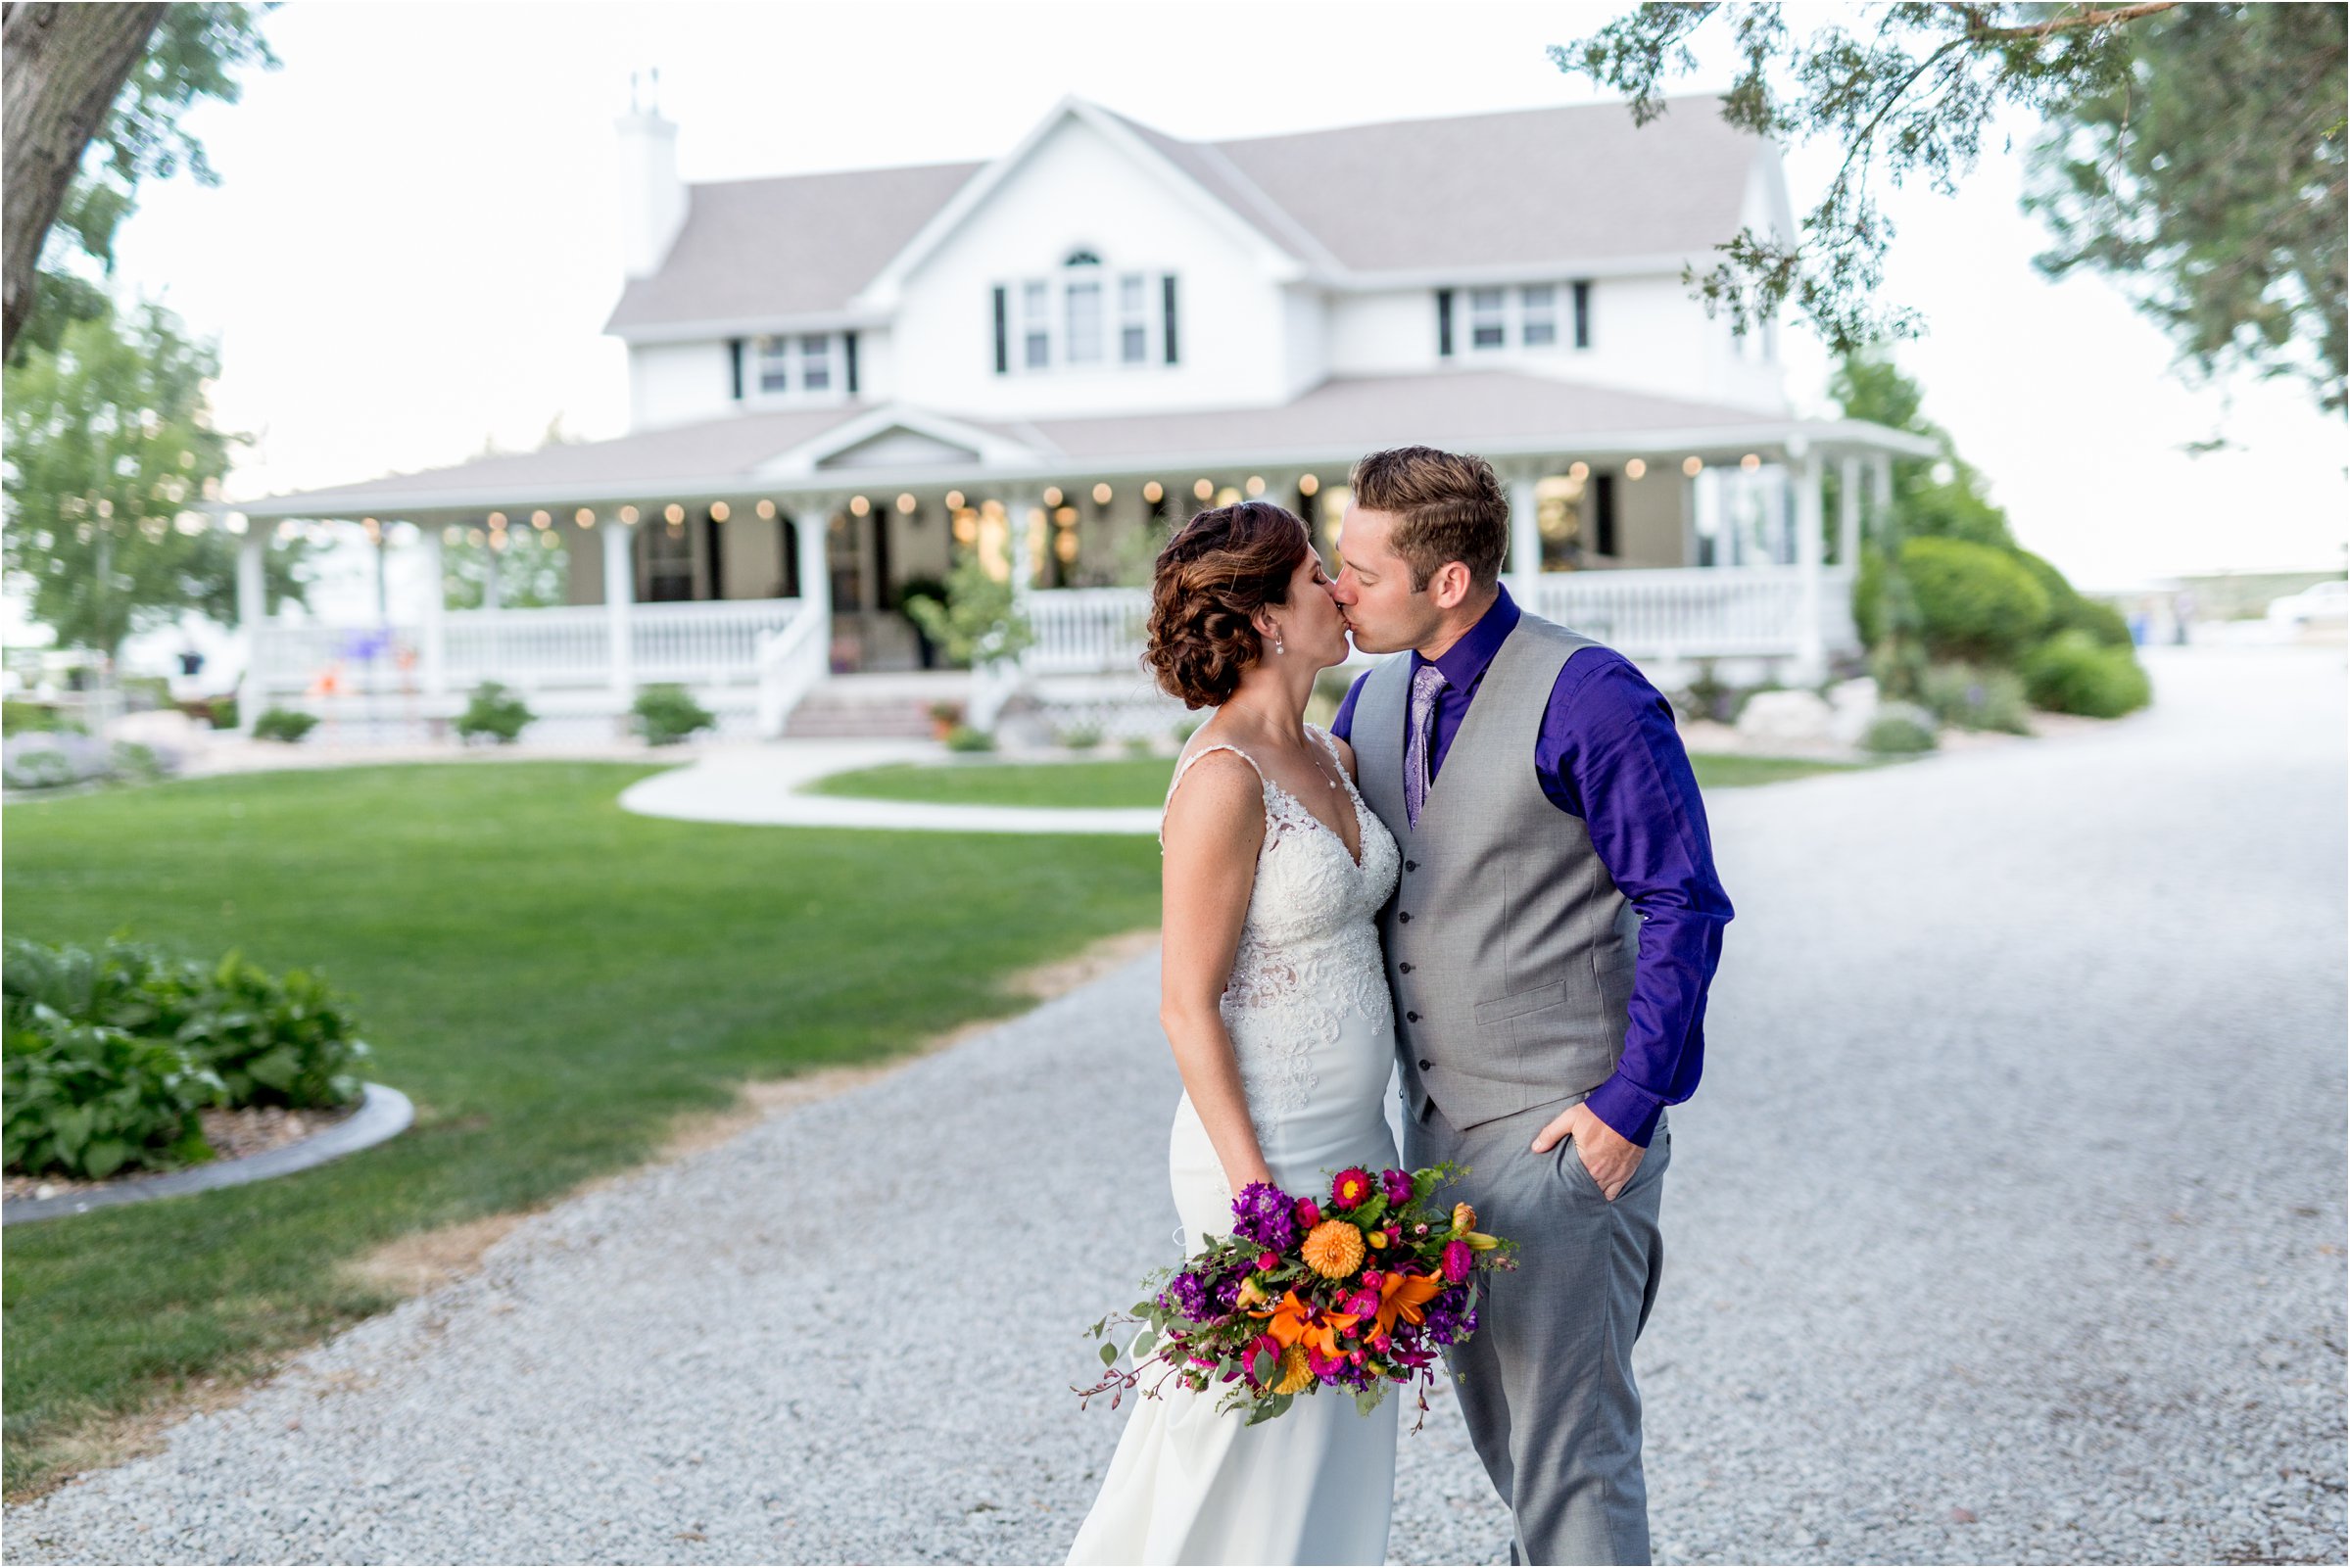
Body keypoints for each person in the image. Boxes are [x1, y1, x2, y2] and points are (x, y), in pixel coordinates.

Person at [1325, 446, 1735, 1566]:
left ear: (1445, 579)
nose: (1334, 586)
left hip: (1564, 1125)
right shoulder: (1367, 698)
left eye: (1357, 569)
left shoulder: (1591, 694)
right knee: (1511, 1444)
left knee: (1573, 1458)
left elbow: (1683, 902)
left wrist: (1625, 1109)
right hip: (1436, 1135)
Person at [1067, 499, 1403, 1565]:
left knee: (1330, 1446)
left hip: (1355, 1149)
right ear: (1262, 615)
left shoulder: (1330, 754)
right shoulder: (1222, 778)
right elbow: (1183, 999)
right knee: (1231, 1445)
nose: (1338, 589)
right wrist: (1256, 1194)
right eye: (1316, 574)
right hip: (1256, 1159)